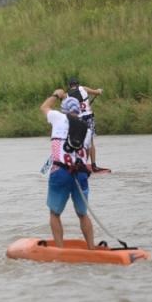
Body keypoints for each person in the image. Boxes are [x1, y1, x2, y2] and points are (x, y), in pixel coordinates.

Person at [42, 90, 95, 248]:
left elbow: (44, 107)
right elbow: (88, 153)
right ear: (78, 111)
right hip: (81, 174)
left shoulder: (58, 118)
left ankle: (60, 251)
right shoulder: (87, 129)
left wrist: (56, 95)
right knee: (83, 214)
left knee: (54, 213)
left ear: (63, 109)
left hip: (60, 172)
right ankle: (92, 249)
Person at [65, 77, 106, 171]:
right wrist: (99, 90)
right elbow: (97, 92)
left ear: (70, 85)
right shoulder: (83, 88)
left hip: (77, 120)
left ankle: (80, 164)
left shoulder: (67, 95)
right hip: (88, 118)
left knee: (79, 143)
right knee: (90, 142)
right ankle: (94, 165)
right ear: (77, 84)